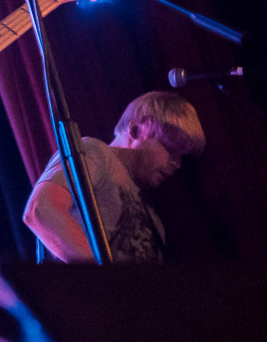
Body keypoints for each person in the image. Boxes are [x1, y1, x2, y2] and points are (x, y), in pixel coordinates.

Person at [23, 91, 205, 263]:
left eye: (181, 155)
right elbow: (41, 209)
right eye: (171, 149)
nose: (177, 163)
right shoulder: (95, 153)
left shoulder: (153, 217)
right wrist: (107, 279)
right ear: (135, 130)